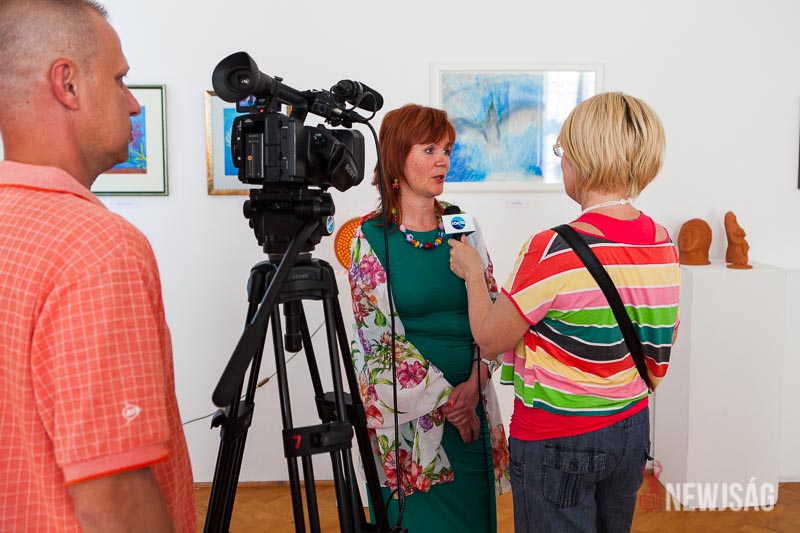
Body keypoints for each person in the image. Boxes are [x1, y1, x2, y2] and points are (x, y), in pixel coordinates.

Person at [0, 1, 195, 531]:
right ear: (67, 84)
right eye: (119, 79)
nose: (133, 103)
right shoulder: (96, 246)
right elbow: (114, 500)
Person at [449, 92, 681, 533]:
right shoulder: (661, 241)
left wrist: (473, 274)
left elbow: (491, 338)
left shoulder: (553, 248)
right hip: (632, 427)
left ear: (583, 158)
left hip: (559, 437)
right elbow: (662, 337)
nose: (562, 164)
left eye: (563, 152)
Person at [348, 104, 510, 532]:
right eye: (430, 149)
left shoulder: (462, 226)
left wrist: (473, 388)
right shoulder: (370, 237)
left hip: (472, 402)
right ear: (397, 157)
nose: (443, 161)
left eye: (447, 150)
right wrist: (450, 402)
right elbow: (374, 342)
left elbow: (494, 309)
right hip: (408, 418)